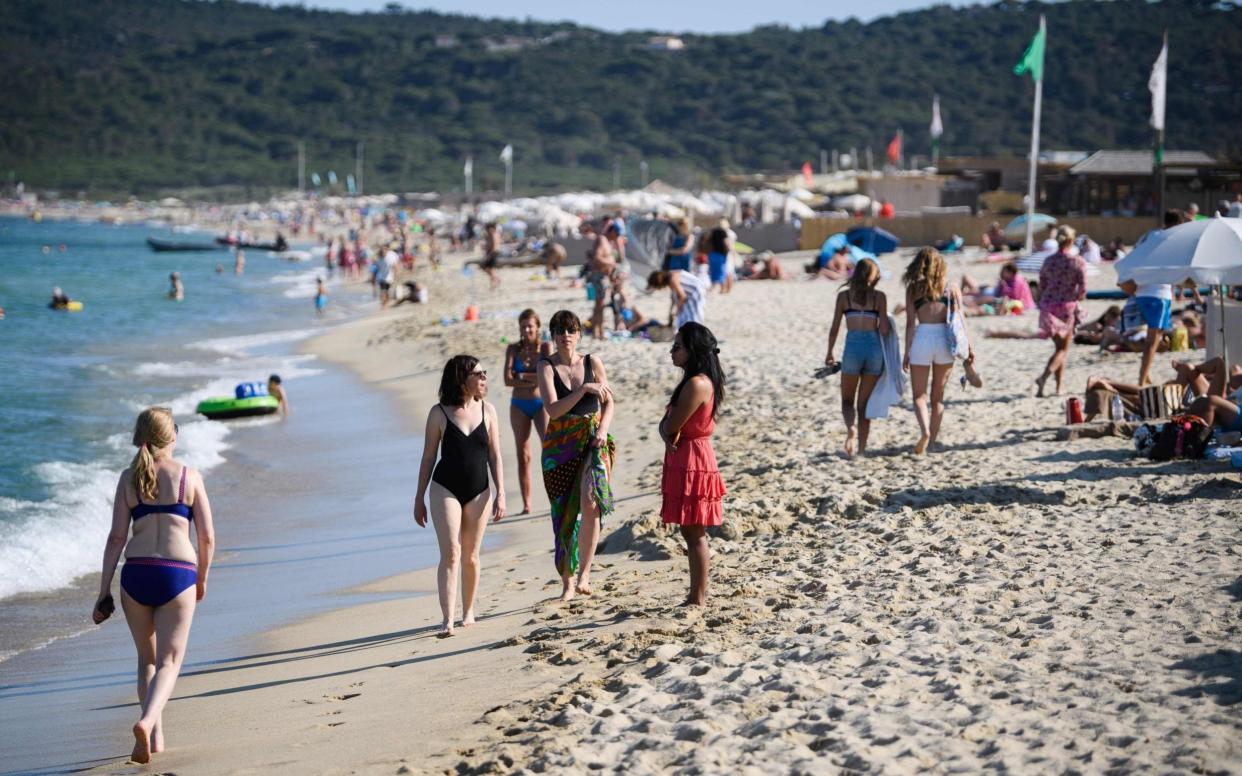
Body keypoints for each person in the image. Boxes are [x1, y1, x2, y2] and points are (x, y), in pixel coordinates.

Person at [92, 408, 215, 764]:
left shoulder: (129, 478)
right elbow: (207, 538)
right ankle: (147, 723)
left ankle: (156, 737)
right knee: (170, 661)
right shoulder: (189, 477)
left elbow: (116, 537)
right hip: (177, 575)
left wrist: (103, 591)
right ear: (171, 437)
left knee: (147, 660)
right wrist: (202, 578)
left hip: (136, 575)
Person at [413, 356, 506, 636]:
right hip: (445, 487)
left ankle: (468, 611)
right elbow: (428, 458)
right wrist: (418, 497)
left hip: (479, 489)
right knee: (451, 552)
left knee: (471, 556)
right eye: (478, 374)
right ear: (461, 378)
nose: (483, 378)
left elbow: (495, 455)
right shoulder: (438, 413)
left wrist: (501, 493)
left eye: (484, 373)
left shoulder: (488, 410)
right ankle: (447, 619)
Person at [536, 311, 615, 601]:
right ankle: (567, 583)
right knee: (564, 513)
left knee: (591, 503)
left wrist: (603, 429)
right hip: (559, 447)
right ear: (553, 335)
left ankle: (584, 574)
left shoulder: (593, 362)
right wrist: (583, 390)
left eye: (570, 330)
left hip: (594, 440)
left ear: (579, 334)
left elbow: (609, 402)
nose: (565, 335)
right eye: (559, 330)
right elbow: (553, 410)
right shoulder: (545, 367)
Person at [659, 322, 726, 606]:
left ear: (692, 350)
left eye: (677, 347)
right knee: (690, 530)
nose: (672, 352)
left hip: (692, 457)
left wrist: (663, 429)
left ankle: (697, 596)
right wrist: (666, 430)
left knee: (694, 531)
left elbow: (671, 426)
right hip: (688, 454)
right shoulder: (697, 380)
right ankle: (695, 594)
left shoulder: (697, 383)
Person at [903, 247, 967, 454]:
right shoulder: (951, 288)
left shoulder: (913, 289)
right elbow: (960, 322)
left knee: (919, 396)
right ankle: (932, 442)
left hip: (922, 338)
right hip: (944, 340)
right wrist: (969, 349)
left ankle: (924, 432)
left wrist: (907, 351)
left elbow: (910, 323)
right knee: (937, 398)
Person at [824, 258, 890, 457]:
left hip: (853, 348)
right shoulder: (879, 297)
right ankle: (861, 450)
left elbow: (835, 327)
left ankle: (850, 429)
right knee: (864, 405)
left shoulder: (844, 297)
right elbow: (885, 330)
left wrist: (829, 352)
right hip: (874, 350)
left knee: (847, 401)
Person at [505, 310, 553, 515]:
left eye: (530, 326)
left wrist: (521, 375)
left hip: (541, 403)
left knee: (550, 451)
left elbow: (548, 376)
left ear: (537, 327)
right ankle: (527, 504)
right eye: (523, 326)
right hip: (518, 405)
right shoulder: (513, 349)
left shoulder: (545, 347)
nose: (527, 330)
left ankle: (556, 498)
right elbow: (507, 380)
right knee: (523, 455)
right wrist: (533, 377)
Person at [1034, 225, 1088, 397]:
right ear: (1071, 240)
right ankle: (1043, 377)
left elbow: (1041, 284)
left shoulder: (1048, 261)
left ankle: (1058, 387)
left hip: (1049, 306)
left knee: (1059, 347)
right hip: (1066, 307)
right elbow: (1083, 288)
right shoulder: (1077, 261)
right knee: (1063, 349)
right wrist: (1077, 298)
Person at [1135, 210, 1185, 386]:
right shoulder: (1171, 239)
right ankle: (1142, 379)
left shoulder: (1149, 235)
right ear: (1178, 223)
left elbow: (1135, 255)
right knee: (1153, 338)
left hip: (1142, 290)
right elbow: (1177, 265)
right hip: (1158, 293)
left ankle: (1146, 372)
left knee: (1156, 336)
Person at [706, 224, 730, 292]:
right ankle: (722, 288)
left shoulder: (712, 231)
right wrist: (728, 251)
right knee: (721, 271)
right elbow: (726, 243)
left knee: (713, 271)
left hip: (712, 253)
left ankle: (713, 286)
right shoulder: (723, 232)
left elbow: (707, 240)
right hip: (721, 254)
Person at [481, 223, 501, 290]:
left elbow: (495, 246)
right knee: (488, 269)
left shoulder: (494, 235)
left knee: (490, 269)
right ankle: (495, 280)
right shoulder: (490, 235)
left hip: (493, 253)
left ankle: (494, 283)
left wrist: (490, 254)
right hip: (491, 253)